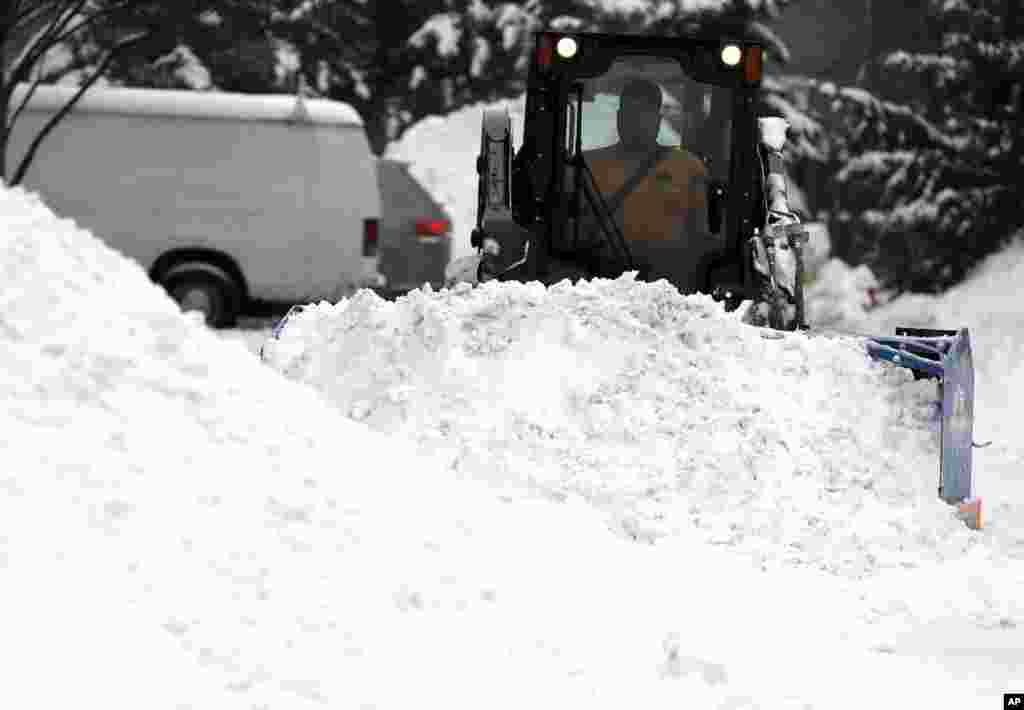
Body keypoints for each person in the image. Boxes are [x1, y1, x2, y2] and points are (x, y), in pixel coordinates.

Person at [581, 78, 718, 292]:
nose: (635, 122)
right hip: (601, 286)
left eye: (643, 114)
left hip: (667, 289)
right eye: (629, 114)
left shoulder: (688, 168)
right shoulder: (587, 165)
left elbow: (700, 239)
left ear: (657, 119)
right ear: (619, 117)